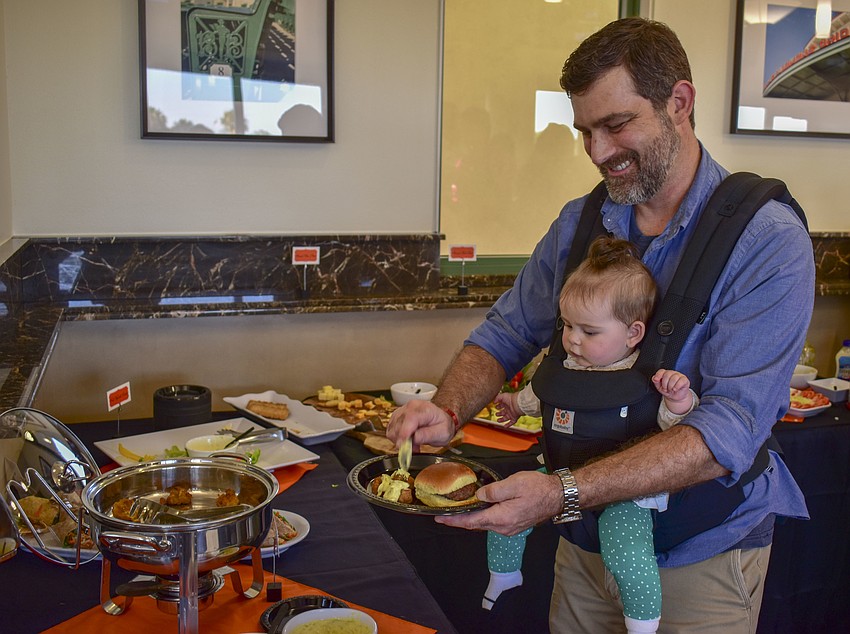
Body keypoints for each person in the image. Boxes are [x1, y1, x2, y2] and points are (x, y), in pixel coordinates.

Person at [387, 16, 814, 633]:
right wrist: (448, 410)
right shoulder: (578, 222)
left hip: (699, 557)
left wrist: (561, 493)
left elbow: (729, 429)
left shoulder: (765, 239)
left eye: (617, 125)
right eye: (585, 131)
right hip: (584, 544)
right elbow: (506, 334)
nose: (598, 152)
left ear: (680, 103)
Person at [484, 236, 696, 634]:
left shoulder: (650, 376)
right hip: (559, 470)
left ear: (634, 333)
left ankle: (643, 622)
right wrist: (514, 404)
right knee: (507, 507)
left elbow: (680, 428)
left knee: (627, 548)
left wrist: (679, 399)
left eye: (589, 331)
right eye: (566, 325)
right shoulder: (564, 364)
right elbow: (541, 397)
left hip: (625, 487)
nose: (573, 339)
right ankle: (504, 573)